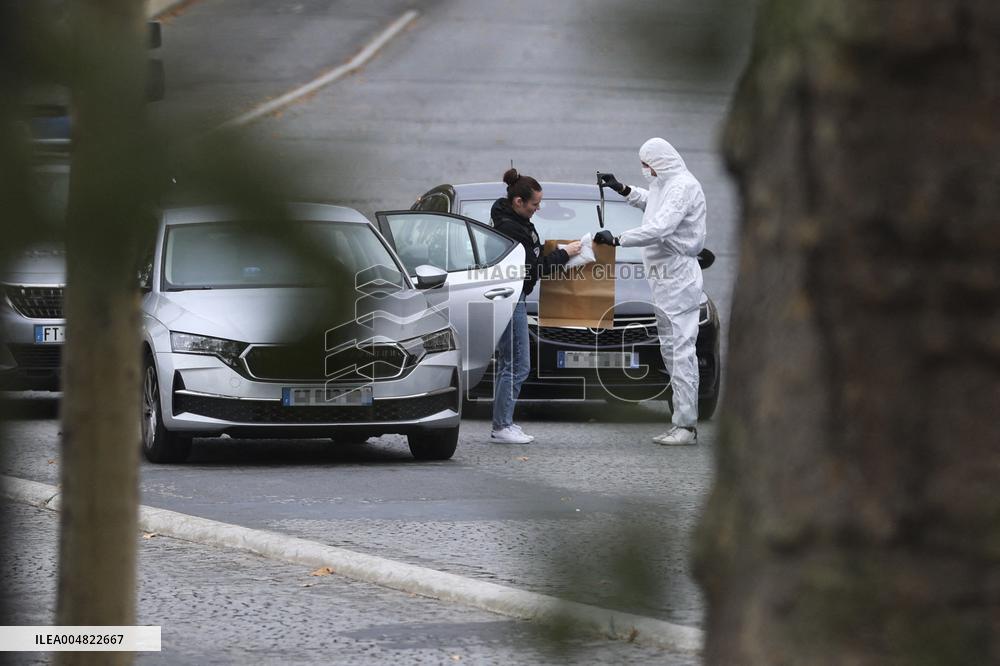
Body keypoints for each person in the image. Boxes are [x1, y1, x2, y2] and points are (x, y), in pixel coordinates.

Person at [595, 138, 707, 445]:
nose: (644, 171)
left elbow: (661, 227)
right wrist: (622, 189)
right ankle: (681, 421)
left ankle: (686, 425)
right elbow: (652, 202)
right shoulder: (665, 183)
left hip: (677, 278)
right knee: (670, 349)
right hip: (664, 278)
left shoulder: (682, 187)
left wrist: (618, 239)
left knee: (680, 350)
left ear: (658, 163)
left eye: (646, 165)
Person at [489, 168, 582, 444]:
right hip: (512, 296)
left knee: (511, 362)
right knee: (518, 363)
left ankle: (503, 422)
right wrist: (565, 254)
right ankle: (502, 426)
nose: (537, 209)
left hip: (512, 294)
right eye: (534, 204)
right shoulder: (511, 228)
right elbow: (533, 269)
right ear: (518, 201)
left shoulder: (512, 218)